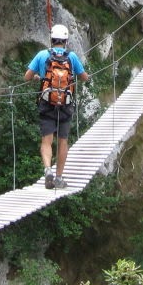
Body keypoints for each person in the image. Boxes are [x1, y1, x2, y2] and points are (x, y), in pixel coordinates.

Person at [24, 24, 90, 189]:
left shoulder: (41, 55)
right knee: (63, 142)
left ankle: (48, 170)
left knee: (46, 141)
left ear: (52, 39)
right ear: (66, 41)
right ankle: (59, 178)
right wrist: (82, 75)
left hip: (47, 103)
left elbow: (26, 77)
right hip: (66, 105)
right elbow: (84, 78)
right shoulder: (72, 57)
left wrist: (37, 77)